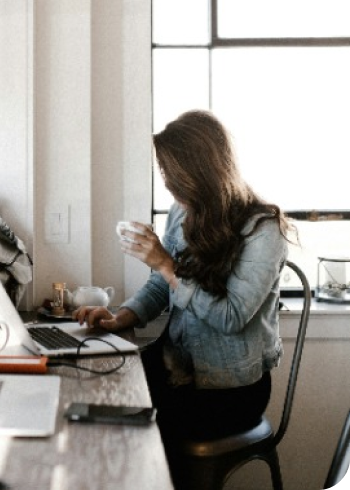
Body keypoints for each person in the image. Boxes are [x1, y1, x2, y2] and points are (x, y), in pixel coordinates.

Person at [73, 109, 295, 486]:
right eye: (164, 173)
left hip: (230, 390)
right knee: (94, 387)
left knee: (134, 429)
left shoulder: (263, 229)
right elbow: (162, 285)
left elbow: (232, 317)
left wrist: (165, 264)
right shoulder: (182, 212)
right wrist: (122, 317)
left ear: (200, 171)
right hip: (176, 366)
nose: (167, 184)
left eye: (171, 174)